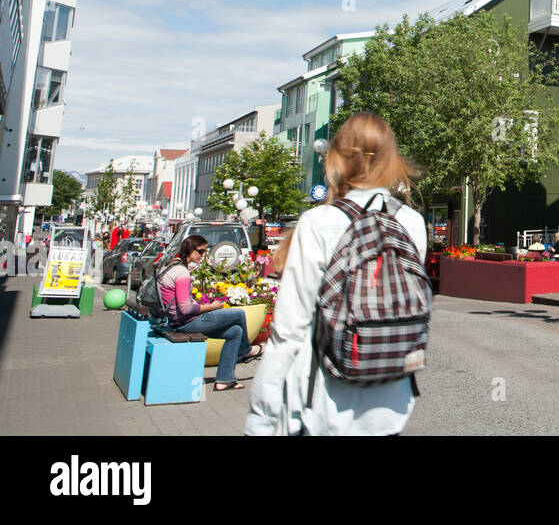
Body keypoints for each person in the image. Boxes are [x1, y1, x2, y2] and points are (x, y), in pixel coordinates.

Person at [246, 111, 429, 435]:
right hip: (392, 405)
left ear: (337, 157)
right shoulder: (412, 223)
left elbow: (289, 331)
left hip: (325, 404)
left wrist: (261, 417)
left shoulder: (319, 222)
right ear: (391, 159)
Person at [159, 235, 260, 392]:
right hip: (187, 321)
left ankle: (225, 380)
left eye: (205, 251)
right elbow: (185, 308)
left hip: (178, 319)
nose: (203, 255)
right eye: (200, 251)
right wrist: (212, 306)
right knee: (239, 314)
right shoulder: (182, 273)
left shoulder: (172, 265)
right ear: (190, 250)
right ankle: (246, 350)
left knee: (235, 332)